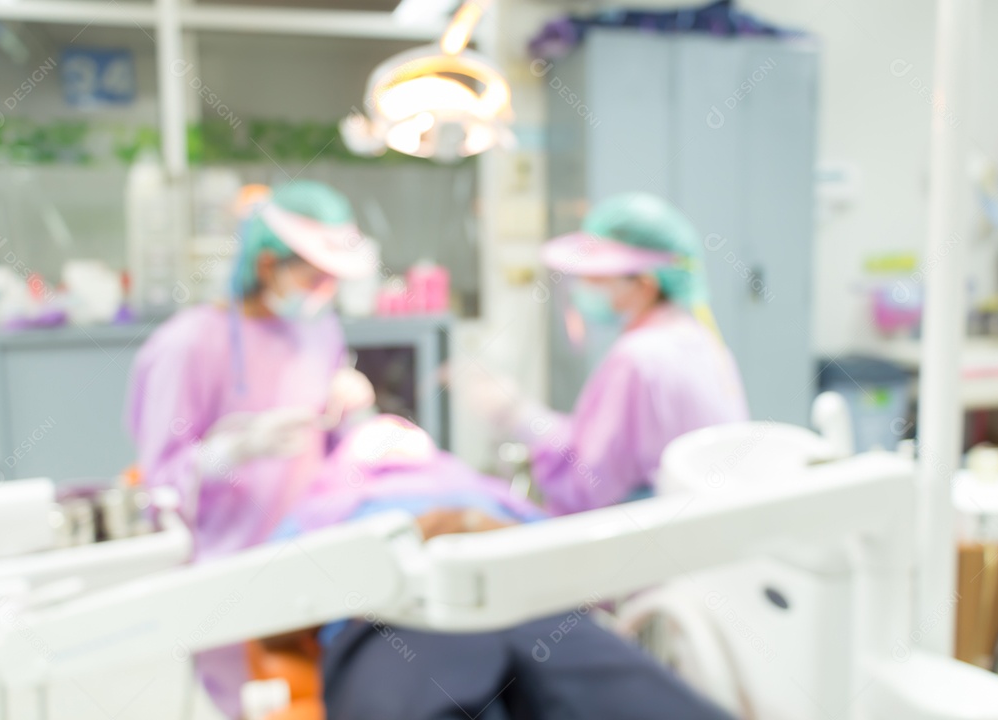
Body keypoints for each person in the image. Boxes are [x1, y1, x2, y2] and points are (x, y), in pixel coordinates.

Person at [261, 415, 735, 720]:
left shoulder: (486, 493)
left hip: (532, 611)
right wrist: (425, 535)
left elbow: (570, 566)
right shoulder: (323, 510)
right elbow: (273, 618)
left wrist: (466, 524)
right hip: (398, 622)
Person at [125, 179, 376, 716]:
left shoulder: (317, 328)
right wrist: (231, 453)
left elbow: (327, 437)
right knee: (250, 704)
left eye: (333, 280)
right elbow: (159, 483)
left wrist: (347, 409)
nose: (324, 292)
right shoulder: (189, 344)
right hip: (226, 566)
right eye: (314, 277)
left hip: (310, 551)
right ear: (267, 265)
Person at [474, 192, 748, 515]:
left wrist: (518, 415)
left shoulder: (639, 359)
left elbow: (587, 484)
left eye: (597, 276)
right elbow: (606, 444)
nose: (582, 286)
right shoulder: (700, 341)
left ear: (645, 285)